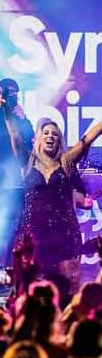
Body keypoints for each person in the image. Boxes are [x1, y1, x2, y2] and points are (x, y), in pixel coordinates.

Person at [14, 107, 102, 293]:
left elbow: (86, 141)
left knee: (69, 287)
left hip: (64, 233)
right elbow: (16, 138)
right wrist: (5, 109)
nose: (50, 136)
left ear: (59, 141)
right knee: (30, 288)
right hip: (34, 233)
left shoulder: (65, 162)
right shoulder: (27, 162)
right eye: (46, 133)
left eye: (55, 134)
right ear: (38, 138)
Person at [0, 78, 34, 265]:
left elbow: (30, 140)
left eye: (16, 94)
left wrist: (23, 118)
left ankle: (12, 267)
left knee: (16, 226)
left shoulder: (19, 116)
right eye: (9, 94)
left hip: (17, 180)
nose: (13, 98)